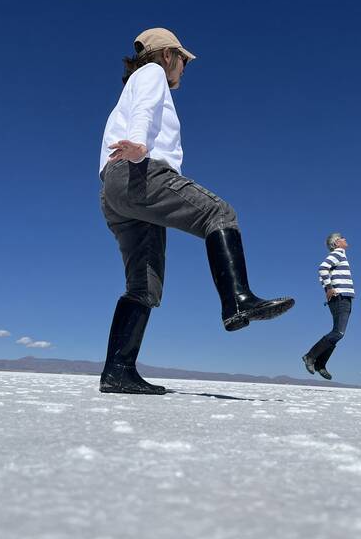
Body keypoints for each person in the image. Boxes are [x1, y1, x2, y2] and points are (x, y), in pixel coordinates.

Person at [97, 27, 294, 395]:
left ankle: (118, 370)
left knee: (143, 287)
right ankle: (238, 300)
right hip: (139, 173)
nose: (185, 67)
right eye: (183, 59)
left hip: (114, 191)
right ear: (168, 55)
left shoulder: (130, 87)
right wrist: (140, 145)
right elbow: (144, 112)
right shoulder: (152, 72)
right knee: (219, 214)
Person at [302, 233, 354, 380]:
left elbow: (324, 273)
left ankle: (320, 364)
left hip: (345, 298)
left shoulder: (341, 255)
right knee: (338, 333)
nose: (345, 239)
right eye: (342, 237)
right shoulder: (338, 253)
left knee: (338, 333)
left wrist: (328, 287)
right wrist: (329, 288)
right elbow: (322, 268)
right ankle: (311, 356)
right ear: (336, 243)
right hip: (340, 297)